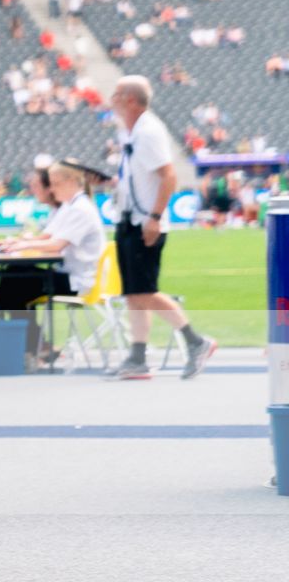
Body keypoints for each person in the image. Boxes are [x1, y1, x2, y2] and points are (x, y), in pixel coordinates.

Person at [109, 76, 215, 380]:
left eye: (116, 94)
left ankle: (195, 342)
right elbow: (141, 176)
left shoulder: (148, 131)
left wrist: (154, 217)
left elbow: (168, 177)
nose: (111, 99)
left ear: (130, 99)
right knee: (133, 293)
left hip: (144, 222)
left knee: (144, 291)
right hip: (129, 218)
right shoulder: (129, 132)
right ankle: (137, 356)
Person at [0, 162, 106, 357]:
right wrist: (17, 243)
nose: (52, 189)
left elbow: (56, 245)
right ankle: (22, 342)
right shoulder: (71, 207)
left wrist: (21, 245)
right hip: (69, 275)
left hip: (77, 281)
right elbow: (48, 238)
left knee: (16, 279)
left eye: (55, 184)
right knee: (16, 279)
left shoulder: (80, 209)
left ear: (71, 181)